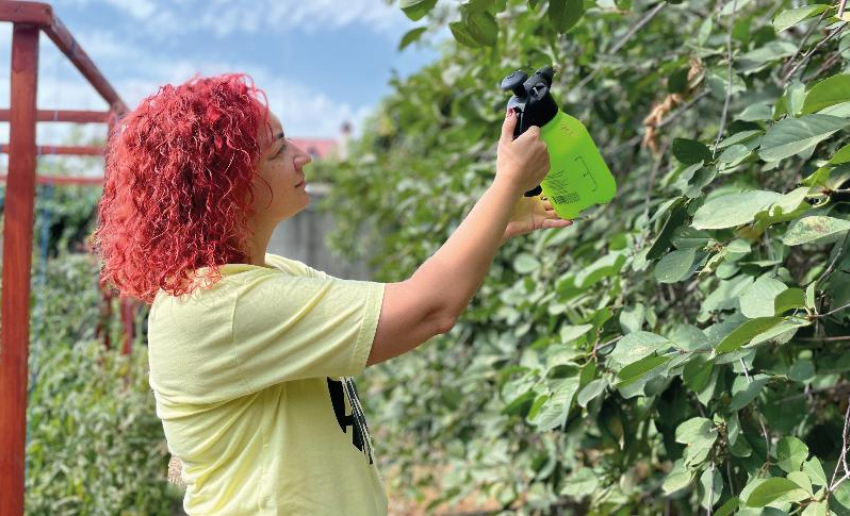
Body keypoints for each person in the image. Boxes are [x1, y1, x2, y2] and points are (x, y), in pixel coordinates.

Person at [91, 73, 572, 515]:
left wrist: (496, 220)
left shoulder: (271, 275)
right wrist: (506, 180)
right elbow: (429, 309)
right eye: (278, 150)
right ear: (227, 186)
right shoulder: (221, 307)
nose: (302, 155)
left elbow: (400, 301)